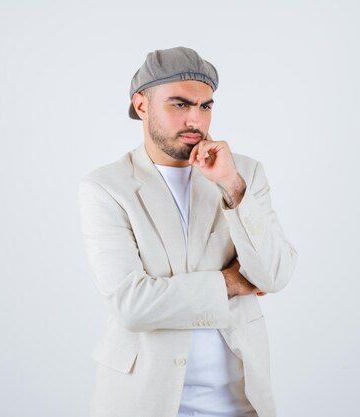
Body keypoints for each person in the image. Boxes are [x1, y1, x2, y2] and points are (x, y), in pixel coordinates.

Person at [78, 46, 297, 417]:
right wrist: (229, 282)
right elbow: (132, 305)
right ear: (142, 105)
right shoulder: (106, 187)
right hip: (142, 400)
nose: (195, 120)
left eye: (205, 106)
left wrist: (232, 186)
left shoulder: (243, 172)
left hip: (239, 402)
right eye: (179, 105)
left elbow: (274, 275)